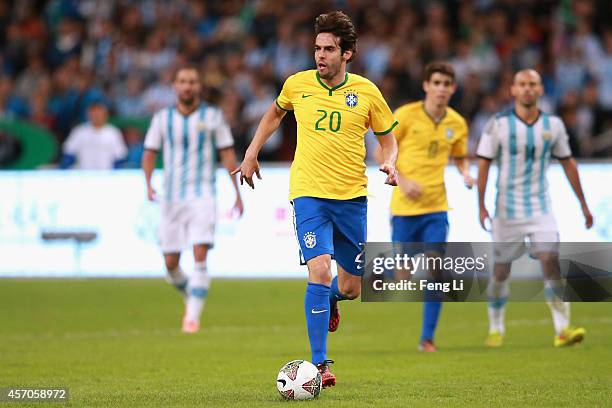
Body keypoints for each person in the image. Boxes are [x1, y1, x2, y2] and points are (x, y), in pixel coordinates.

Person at [232, 11, 398, 388]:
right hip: (308, 194)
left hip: (352, 198)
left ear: (348, 54)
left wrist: (389, 162)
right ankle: (320, 366)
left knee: (353, 286)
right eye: (317, 48)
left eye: (329, 49)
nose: (320, 56)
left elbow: (388, 138)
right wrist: (251, 152)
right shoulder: (298, 85)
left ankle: (334, 300)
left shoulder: (367, 92)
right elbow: (274, 116)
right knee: (319, 270)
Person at [477, 69, 593, 348]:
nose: (528, 89)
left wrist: (583, 204)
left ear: (541, 90)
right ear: (513, 90)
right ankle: (496, 328)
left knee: (551, 262)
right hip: (506, 210)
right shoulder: (498, 124)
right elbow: (483, 163)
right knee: (501, 271)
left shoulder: (553, 125)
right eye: (522, 84)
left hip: (541, 208)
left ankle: (562, 330)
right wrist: (481, 206)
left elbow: (568, 163)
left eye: (533, 84)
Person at [142, 66, 243, 333]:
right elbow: (150, 152)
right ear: (174, 86)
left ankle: (192, 318)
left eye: (192, 82)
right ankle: (193, 295)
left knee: (200, 254)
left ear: (199, 87)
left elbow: (228, 155)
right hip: (171, 198)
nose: (188, 86)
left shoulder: (213, 116)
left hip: (203, 196)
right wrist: (148, 183)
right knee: (171, 264)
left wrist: (237, 193)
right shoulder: (162, 118)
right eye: (183, 82)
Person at [382, 62, 473, 353]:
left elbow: (459, 155)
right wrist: (402, 179)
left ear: (453, 89)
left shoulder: (457, 123)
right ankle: (365, 274)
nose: (441, 89)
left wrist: (465, 172)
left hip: (436, 207)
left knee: (436, 270)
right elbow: (382, 150)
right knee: (403, 276)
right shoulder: (406, 115)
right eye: (436, 83)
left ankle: (427, 339)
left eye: (447, 84)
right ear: (426, 85)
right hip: (405, 209)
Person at [61, 101, 127, 169]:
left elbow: (120, 156)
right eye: (93, 114)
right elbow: (68, 153)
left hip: (106, 175)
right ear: (88, 115)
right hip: (83, 175)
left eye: (99, 114)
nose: (96, 117)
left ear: (105, 115)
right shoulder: (79, 131)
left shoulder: (113, 132)